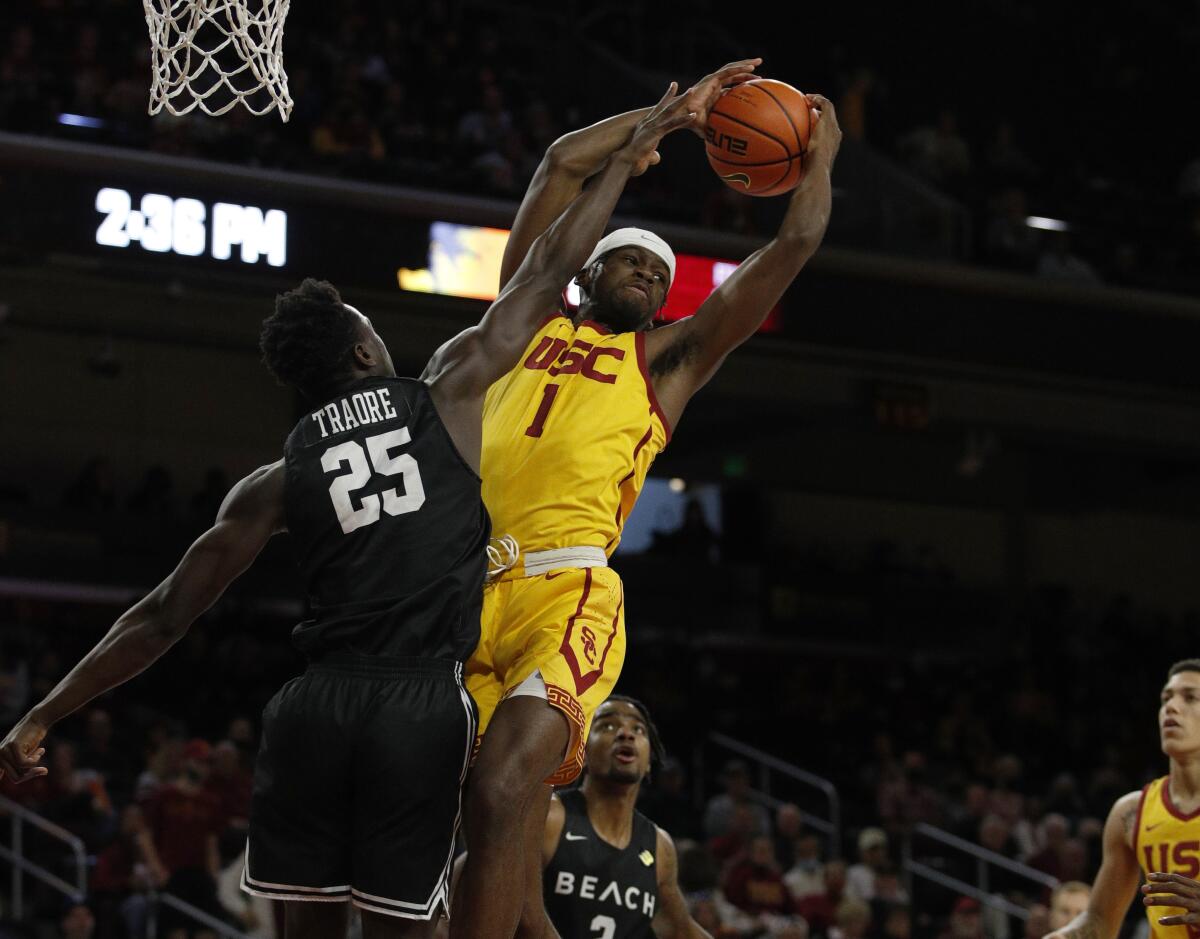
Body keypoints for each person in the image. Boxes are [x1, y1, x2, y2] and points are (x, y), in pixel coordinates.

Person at [0, 88, 684, 938]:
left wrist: (43, 714)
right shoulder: (445, 394)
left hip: (313, 708)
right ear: (365, 350)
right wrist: (625, 161)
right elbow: (550, 271)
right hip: (418, 707)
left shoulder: (274, 479)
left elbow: (165, 613)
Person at [455, 57, 841, 939]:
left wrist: (819, 161)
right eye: (630, 262)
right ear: (585, 272)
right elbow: (559, 166)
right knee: (467, 813)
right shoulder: (523, 321)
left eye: (660, 277)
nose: (650, 278)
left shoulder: (666, 362)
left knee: (505, 784)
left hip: (568, 590)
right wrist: (667, 118)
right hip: (465, 586)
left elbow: (792, 247)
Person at [1047, 659, 1200, 938]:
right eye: (1166, 698)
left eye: (1190, 697)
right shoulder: (1130, 812)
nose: (1171, 706)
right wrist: (1065, 935)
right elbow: (1100, 922)